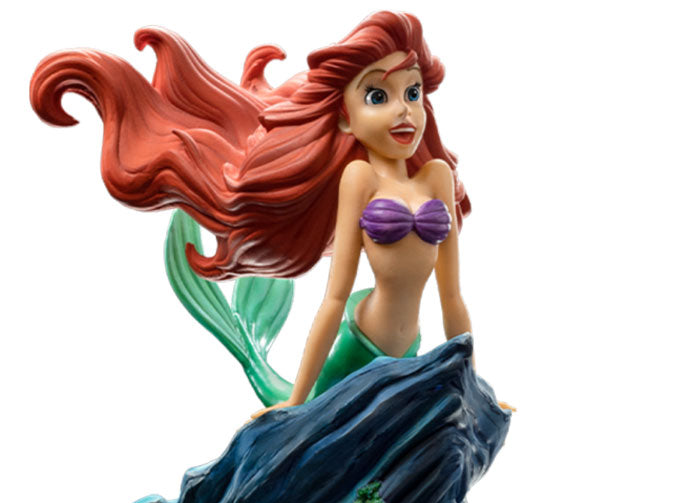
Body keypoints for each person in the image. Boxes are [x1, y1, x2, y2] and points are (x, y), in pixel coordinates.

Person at [31, 12, 496, 414]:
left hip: (410, 349)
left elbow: (452, 297)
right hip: (358, 350)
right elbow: (334, 299)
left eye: (412, 93)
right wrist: (295, 401)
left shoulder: (436, 177)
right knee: (327, 450)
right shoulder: (359, 179)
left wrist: (473, 386)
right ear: (344, 117)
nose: (404, 112)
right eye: (378, 96)